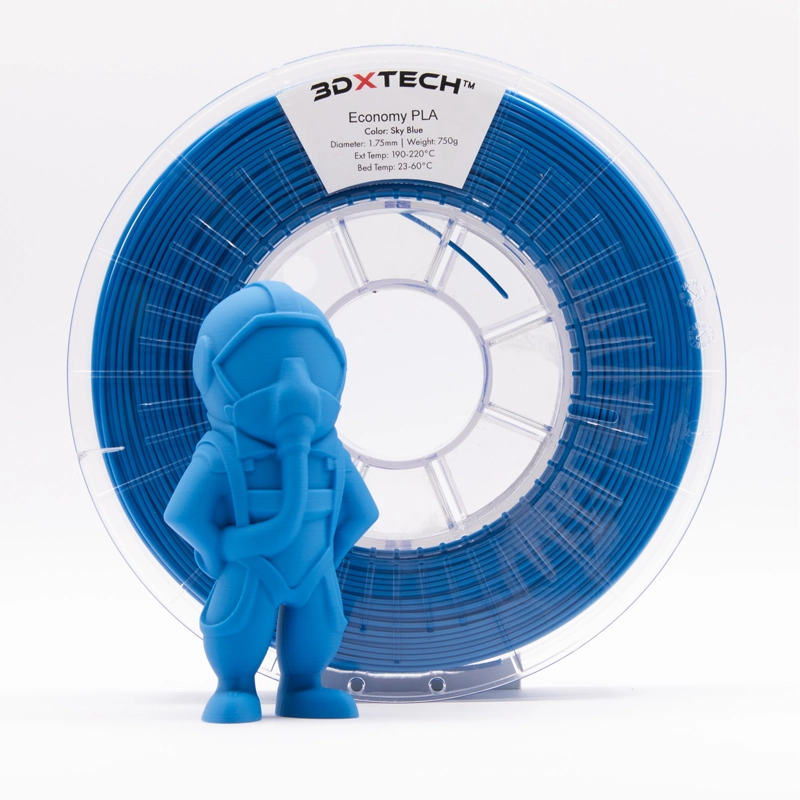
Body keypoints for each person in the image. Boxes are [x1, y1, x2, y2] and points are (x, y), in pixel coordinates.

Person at [164, 281, 378, 723]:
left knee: (319, 628)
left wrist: (327, 557)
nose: (296, 385)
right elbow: (182, 514)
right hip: (251, 567)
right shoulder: (221, 453)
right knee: (237, 624)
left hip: (311, 569)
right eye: (261, 364)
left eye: (313, 364)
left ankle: (304, 686)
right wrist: (219, 551)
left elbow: (362, 512)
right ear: (211, 368)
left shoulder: (331, 452)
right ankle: (235, 685)